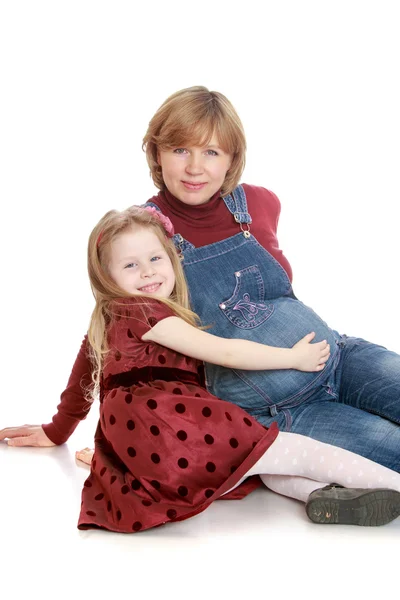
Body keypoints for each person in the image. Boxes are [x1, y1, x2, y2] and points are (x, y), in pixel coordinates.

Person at [1, 85, 399, 469]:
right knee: (392, 450)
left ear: (231, 159)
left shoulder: (258, 203)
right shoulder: (143, 236)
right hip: (283, 409)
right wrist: (61, 426)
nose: (195, 167)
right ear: (156, 154)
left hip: (340, 356)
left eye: (211, 151)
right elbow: (101, 335)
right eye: (179, 150)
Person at [5, 205, 400, 533]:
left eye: (156, 259)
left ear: (173, 260)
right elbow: (222, 352)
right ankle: (391, 484)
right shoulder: (145, 311)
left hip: (145, 444)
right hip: (183, 429)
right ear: (106, 277)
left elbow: (80, 385)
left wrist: (69, 436)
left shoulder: (105, 320)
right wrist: (291, 359)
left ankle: (322, 498)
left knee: (259, 466)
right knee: (296, 453)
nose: (147, 272)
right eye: (130, 265)